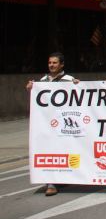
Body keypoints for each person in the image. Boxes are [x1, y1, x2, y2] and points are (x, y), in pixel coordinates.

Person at [26, 52, 79, 197]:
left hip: (65, 124)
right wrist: (31, 88)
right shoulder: (42, 81)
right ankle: (51, 182)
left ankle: (62, 178)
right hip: (48, 125)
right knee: (49, 151)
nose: (51, 65)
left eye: (55, 63)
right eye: (50, 62)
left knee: (66, 151)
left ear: (62, 64)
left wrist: (79, 86)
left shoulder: (69, 80)